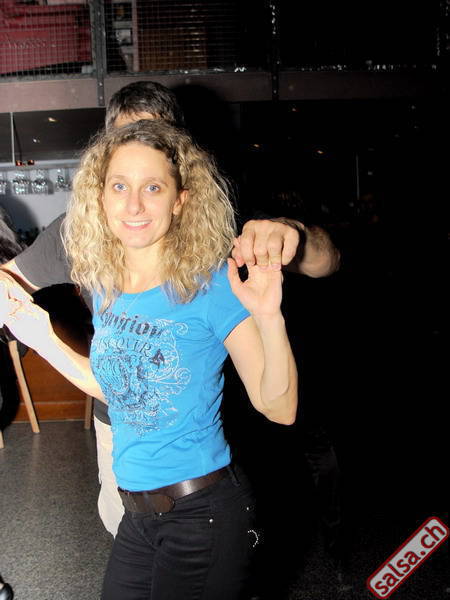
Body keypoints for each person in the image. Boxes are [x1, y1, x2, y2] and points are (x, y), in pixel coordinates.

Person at [0, 81, 340, 538]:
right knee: (127, 535)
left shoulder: (218, 216)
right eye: (126, 145)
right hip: (121, 421)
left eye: (156, 144)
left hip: (215, 423)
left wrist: (289, 231)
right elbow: (11, 281)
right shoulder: (80, 230)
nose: (136, 196)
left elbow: (326, 262)